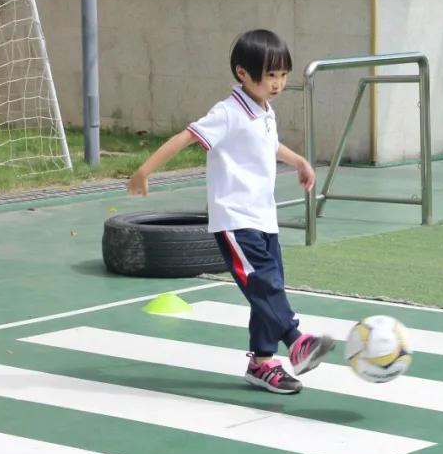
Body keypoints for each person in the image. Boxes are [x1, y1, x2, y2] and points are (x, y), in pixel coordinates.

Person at [127, 29, 334, 394]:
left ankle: (262, 363)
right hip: (236, 220)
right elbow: (188, 136)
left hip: (263, 217)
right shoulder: (228, 112)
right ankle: (296, 340)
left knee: (266, 289)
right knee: (264, 285)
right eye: (271, 75)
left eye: (283, 75)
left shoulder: (263, 111)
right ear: (243, 73)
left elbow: (269, 145)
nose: (278, 84)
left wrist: (298, 160)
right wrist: (145, 170)